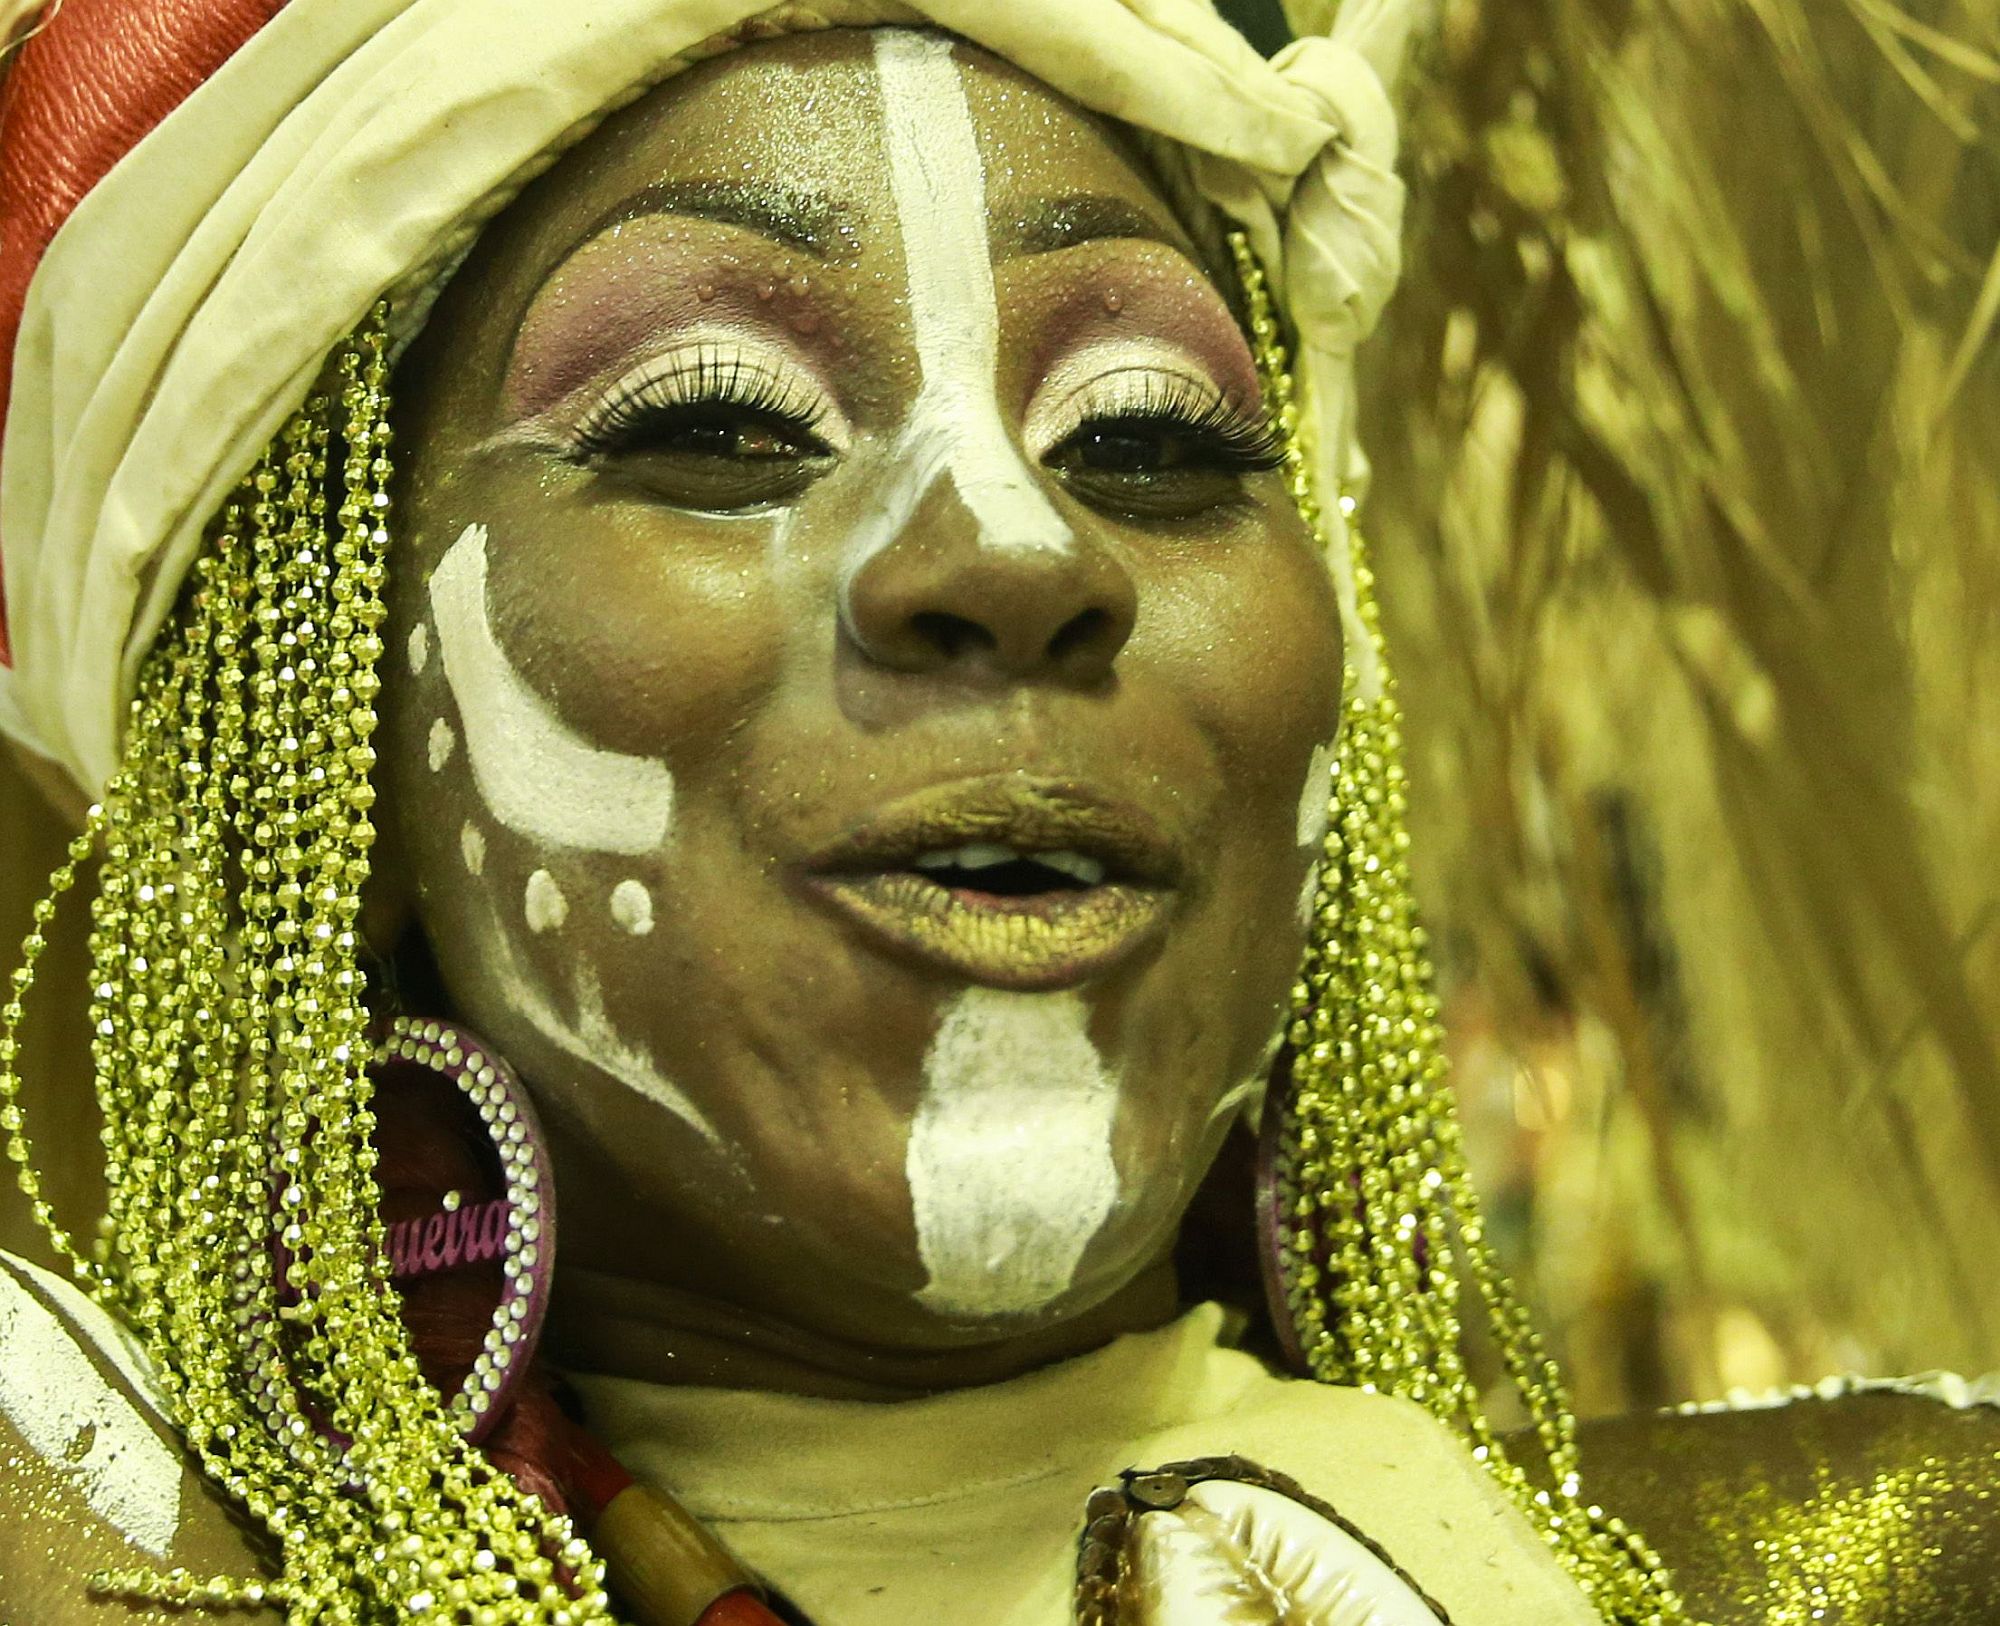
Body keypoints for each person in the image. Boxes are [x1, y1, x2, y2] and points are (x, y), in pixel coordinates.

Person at [0, 3, 1992, 1623]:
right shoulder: (85, 1554)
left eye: (1148, 439)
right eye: (716, 423)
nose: (1013, 548)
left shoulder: (1881, 1564)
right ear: (310, 748)